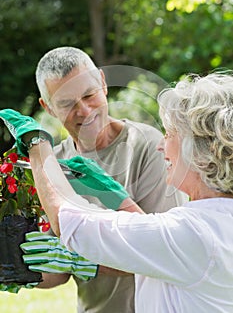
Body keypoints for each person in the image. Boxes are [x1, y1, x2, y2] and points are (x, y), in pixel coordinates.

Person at [10, 71, 233, 312]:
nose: (161, 145)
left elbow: (69, 221)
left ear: (199, 149)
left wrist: (37, 145)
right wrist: (120, 200)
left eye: (169, 134)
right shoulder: (215, 224)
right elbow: (155, 245)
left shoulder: (193, 233)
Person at [33, 46, 187, 312]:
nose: (84, 110)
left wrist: (78, 258)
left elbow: (164, 252)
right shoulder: (52, 166)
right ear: (48, 107)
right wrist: (17, 266)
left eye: (89, 95)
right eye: (67, 104)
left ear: (103, 83)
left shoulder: (150, 147)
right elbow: (56, 275)